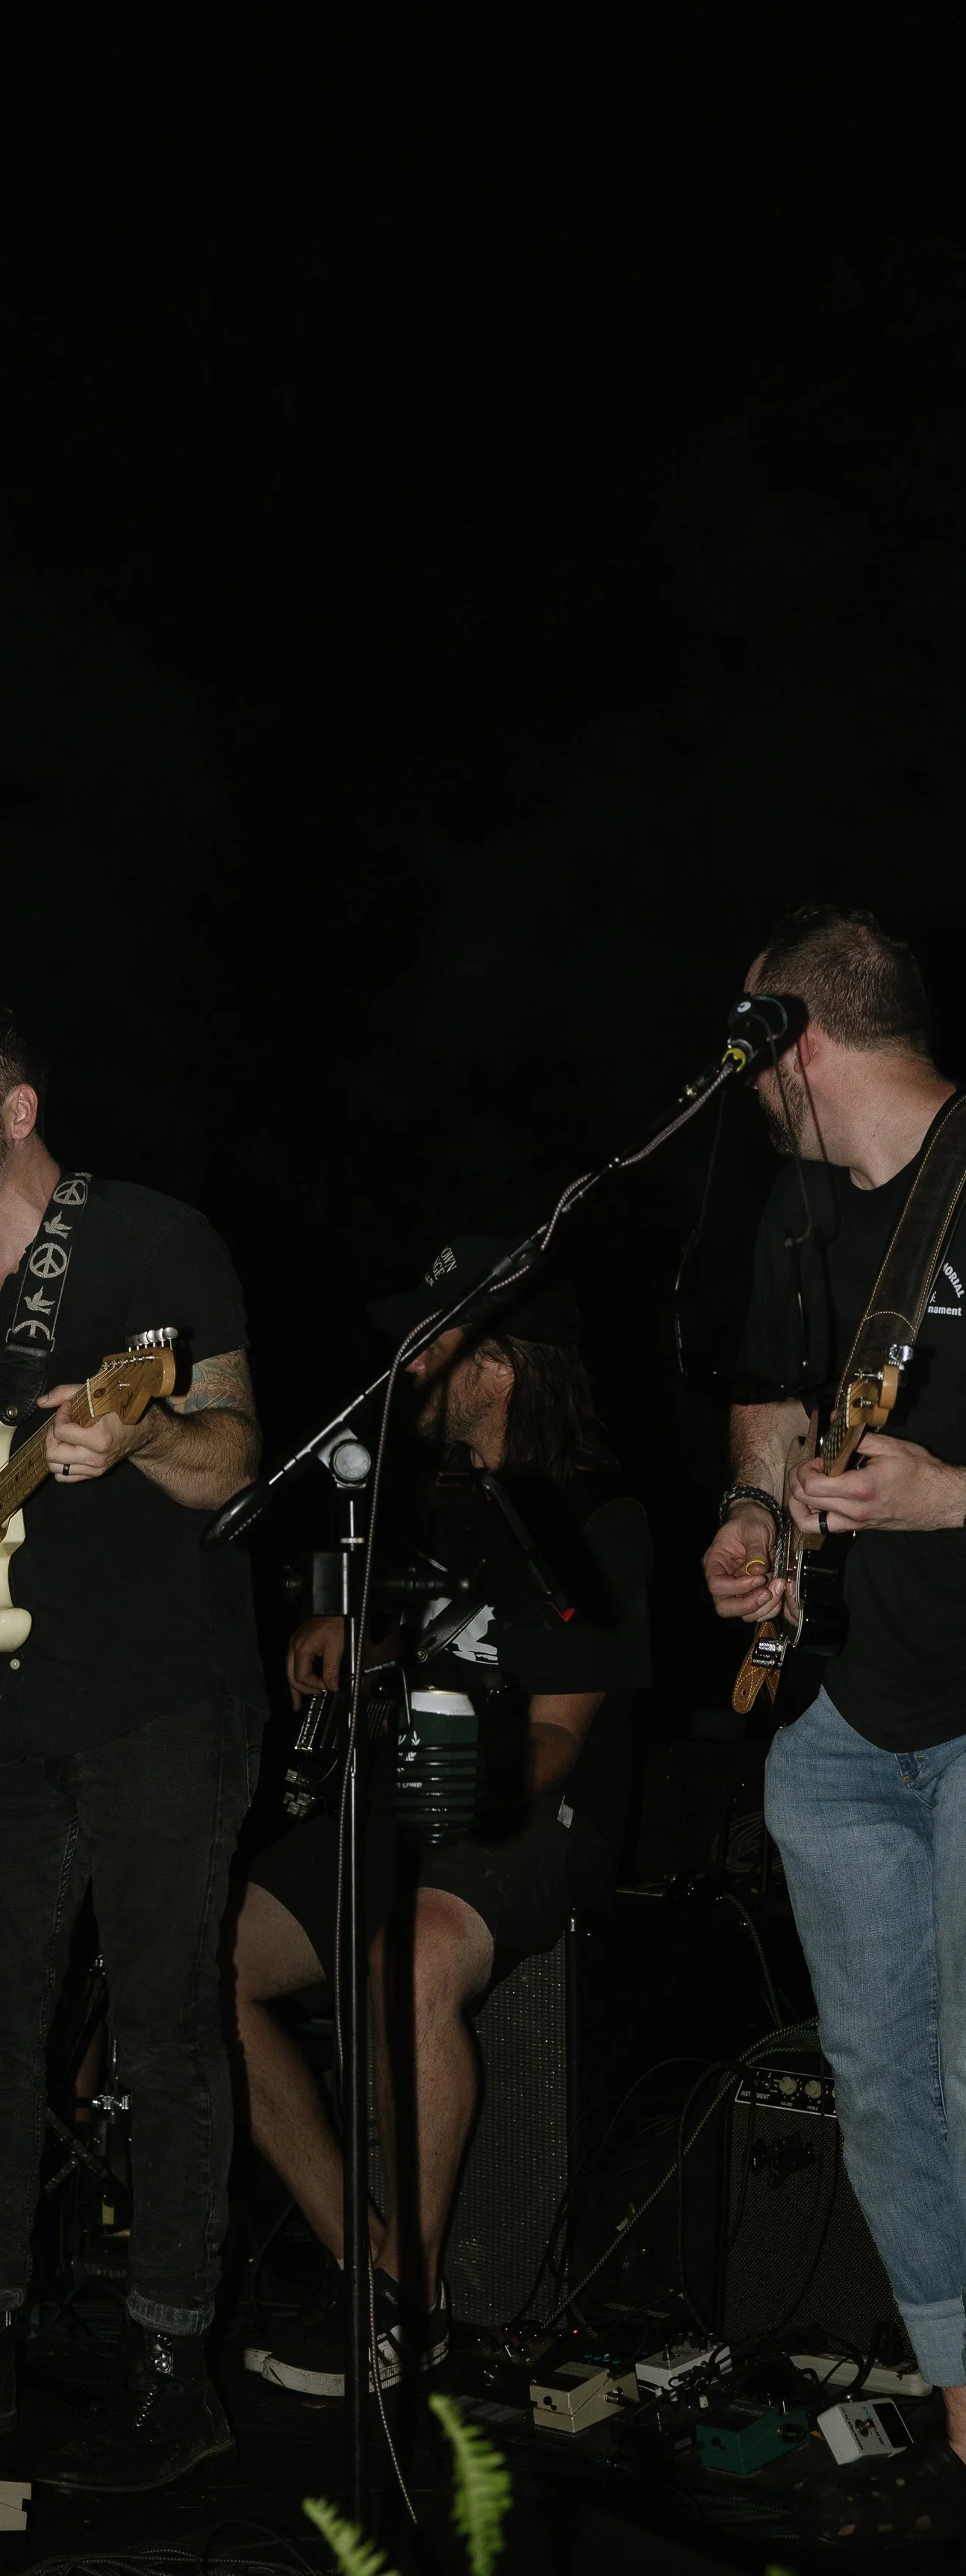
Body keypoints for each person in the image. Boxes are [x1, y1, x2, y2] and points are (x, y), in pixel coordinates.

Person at [0, 998, 263, 2492]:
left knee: (167, 2037)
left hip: (158, 1701)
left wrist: (137, 1439)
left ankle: (170, 2366)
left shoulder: (149, 1246)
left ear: (13, 1113)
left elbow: (229, 1452)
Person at [231, 1237, 649, 2393]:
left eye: (440, 1339)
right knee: (198, 1963)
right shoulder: (431, 1507)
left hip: (522, 1811)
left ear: (501, 1368)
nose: (410, 1359)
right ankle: (365, 2264)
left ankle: (409, 2309)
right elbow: (416, 1644)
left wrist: (445, 1788)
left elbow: (557, 1740)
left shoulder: (594, 1517)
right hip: (403, 1796)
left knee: (406, 1958)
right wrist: (357, 1638)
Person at [702, 904, 966, 2543]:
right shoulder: (799, 1210)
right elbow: (766, 1411)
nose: (733, 1087)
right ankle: (958, 2411)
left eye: (743, 1053)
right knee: (879, 2083)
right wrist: (750, 1522)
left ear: (791, 1038)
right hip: (841, 1720)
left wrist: (947, 1491)